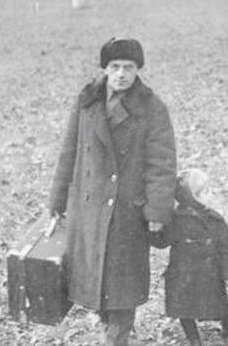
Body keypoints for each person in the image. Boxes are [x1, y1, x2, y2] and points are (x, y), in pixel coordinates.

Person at [48, 38, 177, 346]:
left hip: (127, 211)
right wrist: (57, 200)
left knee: (123, 287)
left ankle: (116, 338)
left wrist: (157, 211)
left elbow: (162, 162)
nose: (121, 74)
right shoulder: (88, 101)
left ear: (138, 70)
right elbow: (69, 151)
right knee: (97, 281)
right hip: (89, 208)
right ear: (104, 68)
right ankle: (110, 328)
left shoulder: (152, 107)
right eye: (115, 67)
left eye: (128, 68)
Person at [152, 169, 228, 346]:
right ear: (191, 196)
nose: (210, 195)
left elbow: (226, 248)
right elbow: (163, 241)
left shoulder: (215, 218)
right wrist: (153, 230)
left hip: (213, 272)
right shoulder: (175, 219)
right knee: (184, 308)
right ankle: (193, 339)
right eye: (205, 191)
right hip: (184, 274)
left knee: (227, 304)